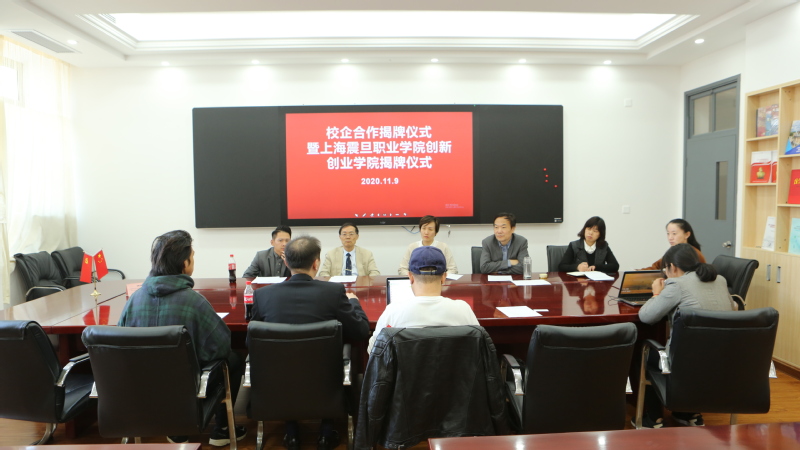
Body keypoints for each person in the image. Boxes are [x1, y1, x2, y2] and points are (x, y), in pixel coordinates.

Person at [118, 230, 246, 446]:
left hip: (144, 388)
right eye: (192, 256)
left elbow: (122, 342)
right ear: (185, 263)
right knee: (233, 359)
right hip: (188, 387)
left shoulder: (134, 299)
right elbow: (221, 347)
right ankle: (222, 429)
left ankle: (177, 431)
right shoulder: (194, 301)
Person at [249, 236, 370, 450]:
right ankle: (326, 433)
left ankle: (291, 432)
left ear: (286, 262)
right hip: (324, 377)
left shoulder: (262, 295)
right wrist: (354, 303)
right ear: (316, 263)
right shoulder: (333, 292)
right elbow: (360, 331)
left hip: (279, 379)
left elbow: (253, 342)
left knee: (287, 360)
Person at [637, 243, 737, 428]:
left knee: (644, 353)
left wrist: (657, 293)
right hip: (723, 361)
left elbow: (646, 316)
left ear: (672, 267)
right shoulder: (720, 280)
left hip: (684, 364)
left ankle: (653, 418)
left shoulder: (676, 284)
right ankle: (688, 412)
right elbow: (733, 309)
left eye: (665, 270)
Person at [370, 246, 478, 352]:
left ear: (410, 277)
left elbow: (374, 351)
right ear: (444, 277)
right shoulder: (463, 310)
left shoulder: (393, 311)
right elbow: (479, 348)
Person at [642, 219, 706, 270]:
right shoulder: (672, 250)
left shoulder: (694, 253)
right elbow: (656, 267)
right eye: (668, 233)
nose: (670, 237)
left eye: (674, 233)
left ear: (687, 234)